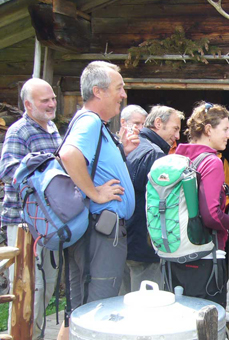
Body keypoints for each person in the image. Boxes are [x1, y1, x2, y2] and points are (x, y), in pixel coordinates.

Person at [57, 61, 139, 340]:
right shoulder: (90, 120)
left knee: (82, 309)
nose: (123, 94)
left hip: (99, 230)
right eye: (119, 88)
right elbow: (68, 154)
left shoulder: (97, 125)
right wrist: (95, 192)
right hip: (101, 231)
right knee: (98, 309)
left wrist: (121, 151)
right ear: (98, 91)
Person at [0, 78, 61, 339]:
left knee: (45, 288)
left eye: (53, 98)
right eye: (44, 100)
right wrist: (45, 174)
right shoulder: (19, 131)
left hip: (49, 223)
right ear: (28, 104)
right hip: (25, 224)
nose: (51, 104)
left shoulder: (52, 129)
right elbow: (7, 171)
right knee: (27, 289)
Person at [173, 101, 229, 308]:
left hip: (175, 254)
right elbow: (212, 216)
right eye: (225, 129)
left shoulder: (178, 157)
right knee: (207, 320)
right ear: (208, 130)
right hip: (204, 257)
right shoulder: (211, 162)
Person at [120, 105, 184, 294]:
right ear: (158, 123)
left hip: (126, 238)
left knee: (124, 300)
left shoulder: (135, 146)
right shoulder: (155, 154)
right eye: (175, 128)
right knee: (146, 305)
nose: (178, 136)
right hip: (144, 244)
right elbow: (158, 206)